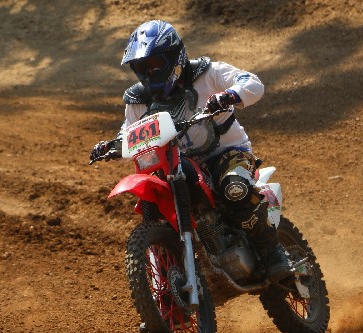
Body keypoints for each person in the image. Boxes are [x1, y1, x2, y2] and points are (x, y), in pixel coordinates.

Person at [90, 20, 291, 283]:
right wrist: (112, 145)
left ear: (174, 56)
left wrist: (230, 95)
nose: (148, 73)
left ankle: (273, 251)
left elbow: (251, 82)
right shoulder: (137, 100)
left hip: (226, 154)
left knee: (233, 188)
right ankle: (168, 283)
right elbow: (129, 131)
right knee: (157, 205)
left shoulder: (207, 73)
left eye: (154, 64)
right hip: (176, 165)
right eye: (141, 67)